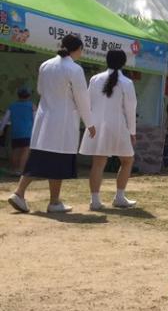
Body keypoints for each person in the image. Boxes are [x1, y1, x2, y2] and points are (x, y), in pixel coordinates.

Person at [7, 35, 95, 214]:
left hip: (45, 118)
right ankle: (53, 202)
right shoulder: (74, 69)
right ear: (77, 49)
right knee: (58, 161)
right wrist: (90, 123)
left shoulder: (45, 65)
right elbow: (82, 99)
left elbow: (40, 90)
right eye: (81, 49)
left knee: (38, 158)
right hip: (63, 121)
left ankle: (21, 193)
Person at [79, 50, 138, 210]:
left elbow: (87, 103)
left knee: (98, 163)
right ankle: (119, 197)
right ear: (123, 63)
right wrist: (132, 132)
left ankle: (95, 200)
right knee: (127, 160)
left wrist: (88, 123)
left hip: (97, 125)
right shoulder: (126, 82)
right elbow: (130, 109)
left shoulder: (95, 79)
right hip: (118, 125)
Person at [1, 88, 36, 175]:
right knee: (26, 151)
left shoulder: (12, 106)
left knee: (15, 150)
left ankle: (15, 169)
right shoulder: (32, 106)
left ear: (18, 96)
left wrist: (1, 129)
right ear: (29, 96)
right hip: (28, 133)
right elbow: (35, 119)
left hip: (16, 133)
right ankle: (21, 170)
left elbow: (5, 118)